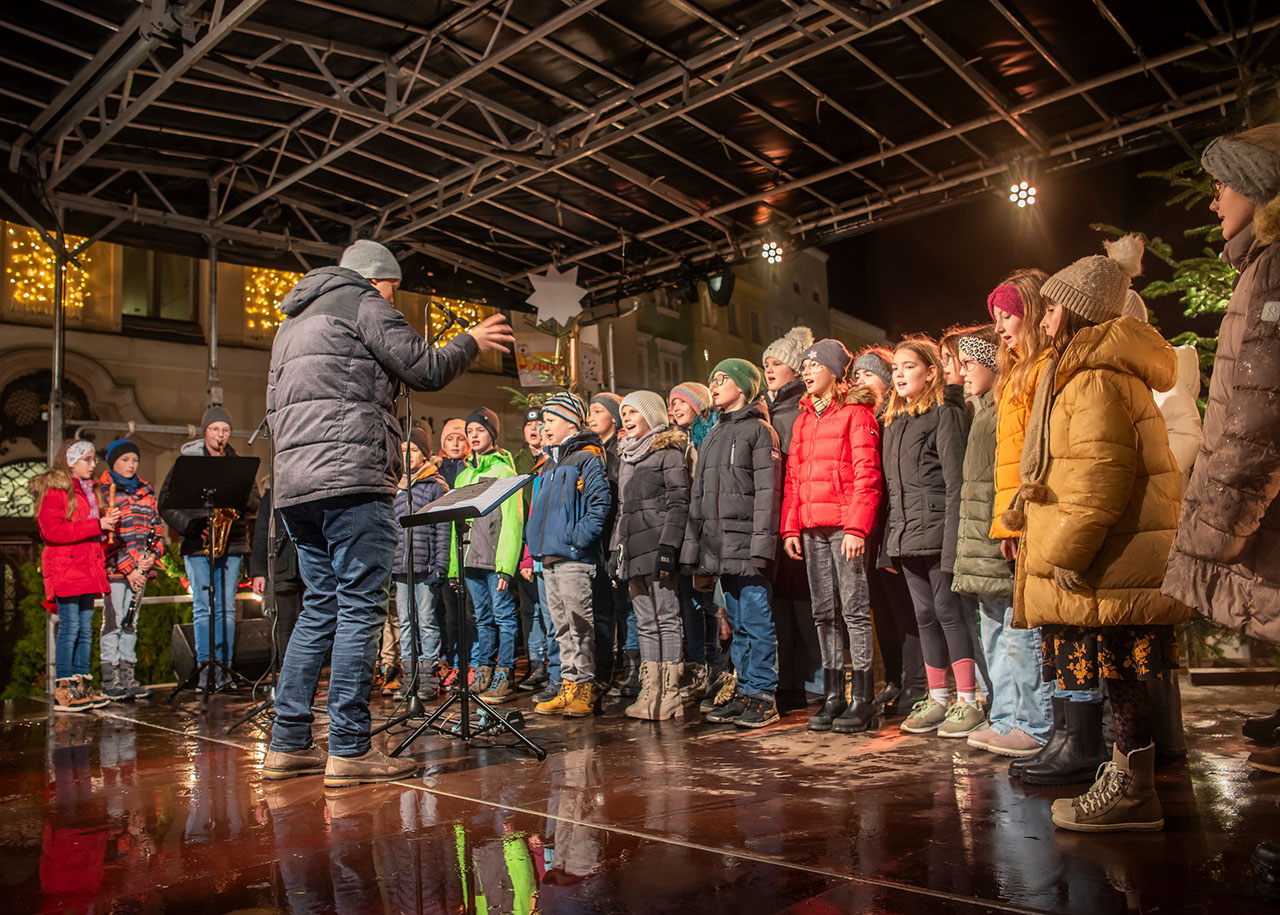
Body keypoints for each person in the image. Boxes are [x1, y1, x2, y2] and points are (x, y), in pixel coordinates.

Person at [261, 238, 513, 787]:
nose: (394, 302)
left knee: (317, 608)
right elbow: (424, 368)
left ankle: (287, 744)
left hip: (295, 486)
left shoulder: (291, 323)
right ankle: (349, 749)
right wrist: (469, 340)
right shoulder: (362, 301)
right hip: (350, 478)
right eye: (394, 291)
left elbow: (274, 406)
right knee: (358, 608)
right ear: (378, 280)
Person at [1003, 235, 1185, 833]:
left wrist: (1062, 554)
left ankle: (1134, 795)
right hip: (1104, 557)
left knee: (1123, 683)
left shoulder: (1094, 376)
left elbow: (1101, 477)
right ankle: (1127, 785)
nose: (1044, 316)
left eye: (1052, 306)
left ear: (1077, 309)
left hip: (1105, 559)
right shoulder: (1079, 369)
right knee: (1119, 682)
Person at [1162, 127, 1280, 788]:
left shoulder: (1275, 267)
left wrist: (1214, 528)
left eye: (1222, 185)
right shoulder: (1265, 265)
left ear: (1257, 188)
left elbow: (1258, 410)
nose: (1213, 202)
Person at [987, 269, 1107, 787]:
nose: (1000, 328)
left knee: (1055, 620)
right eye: (996, 319)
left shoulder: (1045, 369)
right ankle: (1060, 730)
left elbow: (1040, 452)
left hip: (1046, 509)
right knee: (1047, 623)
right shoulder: (1019, 372)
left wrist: (1021, 515)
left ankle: (1068, 733)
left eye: (1008, 315)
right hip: (1027, 512)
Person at [950, 330, 1052, 758]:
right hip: (981, 538)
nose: (963, 372)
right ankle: (1006, 716)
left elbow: (1009, 474)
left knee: (1016, 635)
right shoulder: (984, 411)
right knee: (993, 632)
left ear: (991, 364)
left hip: (1000, 538)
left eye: (969, 363)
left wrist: (1009, 528)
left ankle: (1033, 722)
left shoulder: (1003, 409)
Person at [881, 337, 983, 738]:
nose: (900, 374)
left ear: (931, 372)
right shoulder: (894, 422)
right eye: (896, 368)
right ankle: (938, 697)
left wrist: (955, 537)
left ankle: (969, 700)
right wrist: (892, 540)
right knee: (923, 616)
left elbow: (956, 482)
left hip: (940, 532)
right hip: (907, 536)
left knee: (949, 612)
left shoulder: (945, 414)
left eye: (909, 366)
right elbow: (895, 488)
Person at [781, 339, 882, 733]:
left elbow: (867, 475)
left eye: (815, 365)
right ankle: (833, 695)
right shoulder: (804, 419)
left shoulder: (856, 414)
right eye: (804, 366)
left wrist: (857, 527)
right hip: (811, 528)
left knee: (854, 610)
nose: (807, 372)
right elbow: (793, 477)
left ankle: (864, 699)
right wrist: (791, 525)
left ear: (836, 372)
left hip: (843, 525)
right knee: (823, 612)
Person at [682, 359, 782, 728]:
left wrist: (761, 548)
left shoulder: (759, 431)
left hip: (747, 547)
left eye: (722, 378)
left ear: (744, 386)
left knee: (756, 620)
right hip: (719, 547)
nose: (715, 383)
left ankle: (763, 695)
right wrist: (697, 548)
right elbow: (699, 498)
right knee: (736, 623)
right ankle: (744, 689)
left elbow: (767, 495)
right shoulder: (713, 435)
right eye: (712, 378)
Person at [159, 406, 257, 689]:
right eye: (216, 430)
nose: (221, 435)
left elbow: (254, 503)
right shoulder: (188, 463)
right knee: (203, 609)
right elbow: (166, 503)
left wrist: (237, 489)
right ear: (205, 432)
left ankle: (224, 670)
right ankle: (205, 671)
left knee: (226, 609)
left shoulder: (236, 462)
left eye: (225, 430)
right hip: (197, 542)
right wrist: (191, 526)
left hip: (232, 542)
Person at [526, 393, 612, 718]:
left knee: (579, 624)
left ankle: (585, 686)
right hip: (548, 556)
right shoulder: (550, 463)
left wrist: (577, 539)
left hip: (574, 557)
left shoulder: (586, 458)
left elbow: (599, 504)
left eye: (549, 421)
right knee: (560, 626)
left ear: (570, 422)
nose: (543, 428)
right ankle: (567, 684)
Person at [853, 347, 926, 717]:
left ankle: (917, 682)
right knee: (881, 608)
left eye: (868, 375)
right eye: (857, 376)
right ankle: (895, 679)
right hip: (872, 530)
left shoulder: (895, 418)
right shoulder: (861, 418)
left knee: (905, 608)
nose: (860, 382)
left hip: (896, 526)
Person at [612, 391, 692, 720]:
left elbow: (679, 500)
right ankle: (651, 690)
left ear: (651, 415)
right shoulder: (626, 457)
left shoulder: (668, 451)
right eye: (624, 413)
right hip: (632, 549)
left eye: (633, 412)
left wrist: (669, 546)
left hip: (657, 545)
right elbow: (622, 510)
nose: (627, 419)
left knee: (667, 619)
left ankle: (670, 694)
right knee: (645, 622)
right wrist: (616, 549)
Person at [31, 439, 118, 712]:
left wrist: (105, 529)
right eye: (88, 460)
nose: (93, 465)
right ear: (71, 461)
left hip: (85, 566)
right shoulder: (56, 491)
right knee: (69, 629)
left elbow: (89, 535)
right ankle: (64, 689)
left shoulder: (89, 492)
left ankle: (82, 685)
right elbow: (52, 531)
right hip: (66, 568)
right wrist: (96, 525)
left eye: (94, 459)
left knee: (85, 629)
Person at [448, 407, 524, 703]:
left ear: (492, 433)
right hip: (471, 560)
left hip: (494, 560)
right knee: (481, 618)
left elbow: (513, 520)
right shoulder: (464, 476)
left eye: (479, 430)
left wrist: (506, 565)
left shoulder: (503, 471)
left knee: (504, 616)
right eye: (470, 432)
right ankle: (485, 670)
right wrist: (456, 567)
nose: (473, 436)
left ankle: (505, 671)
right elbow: (456, 527)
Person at [763, 326, 820, 713]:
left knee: (804, 601)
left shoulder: (798, 410)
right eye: (766, 362)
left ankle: (814, 681)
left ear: (795, 369)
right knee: (780, 602)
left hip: (795, 514)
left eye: (778, 362)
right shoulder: (768, 410)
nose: (769, 368)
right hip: (773, 517)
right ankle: (789, 680)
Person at [667, 381, 725, 698]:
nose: (674, 408)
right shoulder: (677, 443)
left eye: (681, 402)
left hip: (707, 530)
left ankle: (718, 668)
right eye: (671, 403)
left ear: (698, 405)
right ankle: (698, 669)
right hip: (686, 531)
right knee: (689, 603)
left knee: (710, 601)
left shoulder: (708, 437)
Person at [99, 439, 165, 701]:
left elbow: (156, 527)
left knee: (130, 623)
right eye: (125, 460)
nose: (131, 465)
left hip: (141, 568)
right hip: (117, 570)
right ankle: (110, 679)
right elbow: (109, 539)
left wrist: (152, 556)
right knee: (113, 623)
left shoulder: (145, 491)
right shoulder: (106, 492)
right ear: (114, 462)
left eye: (134, 460)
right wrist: (129, 569)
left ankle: (128, 677)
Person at [393, 426, 450, 701]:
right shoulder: (395, 487)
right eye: (403, 450)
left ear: (424, 454)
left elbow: (442, 528)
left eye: (413, 450)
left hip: (425, 567)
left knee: (426, 620)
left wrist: (441, 563)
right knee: (405, 621)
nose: (408, 455)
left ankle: (429, 673)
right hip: (400, 568)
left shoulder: (434, 485)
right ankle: (409, 674)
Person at [588, 392, 633, 693]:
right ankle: (604, 669)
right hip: (596, 540)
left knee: (624, 607)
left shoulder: (620, 452)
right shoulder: (591, 452)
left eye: (597, 411)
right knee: (601, 607)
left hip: (616, 538)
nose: (590, 417)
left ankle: (630, 667)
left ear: (613, 419)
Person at [512, 407, 549, 692]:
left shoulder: (552, 458)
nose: (534, 430)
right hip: (522, 540)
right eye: (529, 425)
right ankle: (535, 663)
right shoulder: (517, 461)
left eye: (539, 424)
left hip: (545, 539)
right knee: (529, 608)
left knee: (549, 607)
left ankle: (552, 664)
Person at [249, 482, 302, 677]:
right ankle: (288, 676)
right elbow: (262, 533)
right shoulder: (272, 495)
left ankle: (307, 676)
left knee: (309, 623)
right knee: (284, 624)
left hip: (307, 569)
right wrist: (259, 571)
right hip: (282, 565)